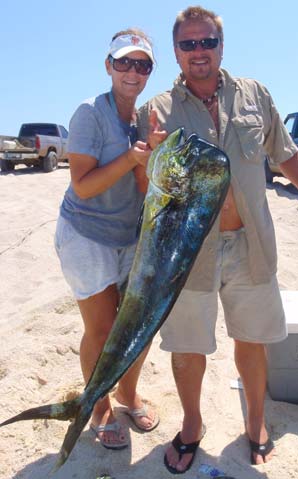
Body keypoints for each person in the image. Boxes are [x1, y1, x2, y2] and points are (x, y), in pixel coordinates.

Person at [137, 6, 298, 473]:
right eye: (188, 44)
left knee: (252, 340)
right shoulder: (158, 109)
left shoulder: (255, 94)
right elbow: (153, 191)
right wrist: (151, 155)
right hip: (189, 253)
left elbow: (284, 153)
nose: (199, 51)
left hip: (251, 244)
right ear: (176, 52)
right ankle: (191, 426)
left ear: (222, 46)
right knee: (187, 347)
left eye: (207, 42)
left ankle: (257, 421)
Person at [54, 29, 159, 450]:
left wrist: (148, 159)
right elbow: (82, 185)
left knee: (139, 327)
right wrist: (133, 156)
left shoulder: (146, 115)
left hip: (128, 233)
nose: (132, 72)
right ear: (108, 66)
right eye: (124, 62)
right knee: (102, 329)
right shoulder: (90, 113)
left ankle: (128, 394)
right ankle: (98, 404)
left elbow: (141, 183)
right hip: (86, 233)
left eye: (142, 64)